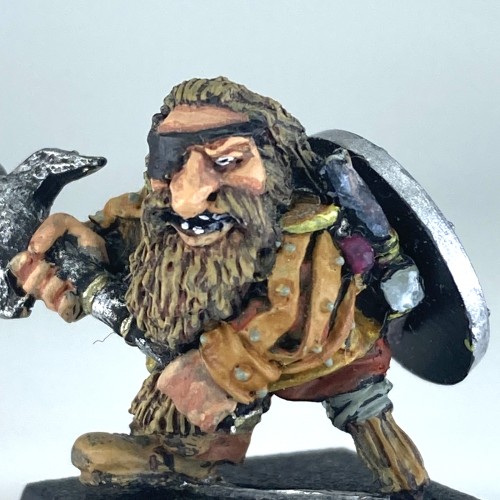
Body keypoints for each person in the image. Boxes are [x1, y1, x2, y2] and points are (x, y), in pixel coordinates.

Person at [10, 77, 428, 494]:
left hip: (321, 355)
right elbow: (126, 238)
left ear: (274, 164)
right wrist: (82, 250)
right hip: (205, 355)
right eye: (171, 164)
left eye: (227, 160)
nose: (187, 198)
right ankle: (185, 453)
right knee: (167, 413)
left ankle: (395, 467)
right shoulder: (156, 210)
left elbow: (295, 319)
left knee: (362, 408)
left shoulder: (305, 233)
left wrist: (218, 370)